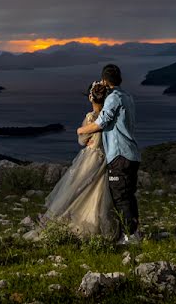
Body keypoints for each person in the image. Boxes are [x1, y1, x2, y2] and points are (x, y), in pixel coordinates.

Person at [38, 81, 117, 238]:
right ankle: (98, 226)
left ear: (90, 98)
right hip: (106, 157)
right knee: (99, 193)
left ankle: (79, 225)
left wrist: (83, 135)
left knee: (79, 189)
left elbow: (82, 140)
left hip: (91, 157)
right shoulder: (110, 117)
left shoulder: (91, 117)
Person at [76, 63, 142, 244]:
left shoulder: (114, 97)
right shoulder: (127, 96)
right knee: (128, 195)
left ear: (105, 80)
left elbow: (101, 122)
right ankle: (135, 232)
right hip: (132, 153)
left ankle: (129, 236)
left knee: (120, 196)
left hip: (119, 154)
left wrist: (80, 131)